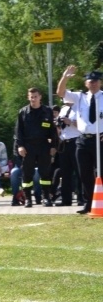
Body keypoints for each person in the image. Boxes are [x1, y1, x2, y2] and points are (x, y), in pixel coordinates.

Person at [56, 66, 103, 215]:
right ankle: (89, 203)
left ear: (100, 83)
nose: (93, 84)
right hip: (83, 140)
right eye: (91, 81)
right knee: (84, 173)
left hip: (100, 139)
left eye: (96, 81)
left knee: (101, 172)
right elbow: (60, 93)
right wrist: (65, 77)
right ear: (86, 84)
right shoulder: (80, 97)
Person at [14, 87, 57, 207]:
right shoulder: (23, 112)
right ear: (28, 98)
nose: (33, 99)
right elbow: (18, 132)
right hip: (28, 146)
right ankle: (28, 199)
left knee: (45, 173)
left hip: (44, 145)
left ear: (40, 97)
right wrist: (20, 146)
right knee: (27, 173)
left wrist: (53, 145)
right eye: (31, 97)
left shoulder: (47, 111)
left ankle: (46, 198)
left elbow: (52, 131)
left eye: (35, 97)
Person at [56, 100, 83, 206]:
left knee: (79, 171)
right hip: (64, 142)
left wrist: (70, 122)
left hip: (75, 141)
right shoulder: (63, 109)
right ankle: (66, 200)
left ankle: (81, 198)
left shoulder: (80, 109)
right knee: (65, 173)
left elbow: (84, 125)